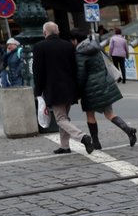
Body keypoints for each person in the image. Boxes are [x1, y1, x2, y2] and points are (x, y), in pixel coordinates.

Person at [69, 29, 137, 150]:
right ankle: (128, 130)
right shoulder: (95, 47)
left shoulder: (80, 53)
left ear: (75, 40)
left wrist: (78, 91)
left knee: (90, 115)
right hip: (104, 83)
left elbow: (81, 74)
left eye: (72, 41)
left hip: (90, 88)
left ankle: (96, 143)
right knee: (109, 114)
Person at [33, 22, 94, 155]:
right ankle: (65, 146)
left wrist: (38, 90)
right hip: (70, 87)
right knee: (64, 117)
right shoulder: (68, 45)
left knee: (60, 119)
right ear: (58, 32)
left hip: (54, 88)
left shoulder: (39, 47)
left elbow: (38, 71)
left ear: (45, 33)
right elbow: (75, 67)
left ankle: (82, 136)